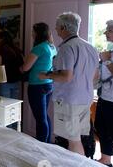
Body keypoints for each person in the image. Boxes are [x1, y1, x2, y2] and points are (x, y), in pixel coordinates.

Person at [38, 12, 99, 155]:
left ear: (64, 27)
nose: (55, 29)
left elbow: (66, 76)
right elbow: (95, 76)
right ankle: (82, 166)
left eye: (57, 27)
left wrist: (45, 75)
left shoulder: (67, 47)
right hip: (86, 98)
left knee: (73, 140)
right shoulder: (90, 47)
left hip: (69, 100)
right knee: (80, 137)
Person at [20, 23, 57, 143]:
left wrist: (20, 68)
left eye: (33, 31)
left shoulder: (39, 47)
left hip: (37, 85)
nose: (32, 33)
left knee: (40, 118)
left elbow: (26, 67)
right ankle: (47, 142)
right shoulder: (51, 47)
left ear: (38, 33)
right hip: (48, 84)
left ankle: (42, 144)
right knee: (44, 116)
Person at [94, 19, 113, 167]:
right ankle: (106, 160)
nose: (105, 32)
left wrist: (108, 61)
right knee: (101, 127)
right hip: (105, 97)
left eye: (109, 30)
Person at [0, 30, 24, 99]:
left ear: (2, 38)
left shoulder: (2, 49)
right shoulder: (17, 49)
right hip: (16, 80)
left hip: (5, 81)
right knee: (13, 105)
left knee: (5, 105)